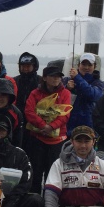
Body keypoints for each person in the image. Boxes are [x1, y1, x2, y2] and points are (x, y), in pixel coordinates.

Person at [25, 63, 72, 194]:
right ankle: (34, 201)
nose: (56, 79)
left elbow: (66, 114)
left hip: (57, 141)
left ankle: (50, 204)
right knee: (36, 172)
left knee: (53, 175)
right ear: (44, 78)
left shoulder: (66, 93)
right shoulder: (35, 93)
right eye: (53, 76)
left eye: (58, 76)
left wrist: (51, 126)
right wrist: (42, 125)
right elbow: (29, 111)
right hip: (37, 139)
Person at [65, 52, 104, 135]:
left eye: (90, 65)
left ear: (95, 66)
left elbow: (93, 95)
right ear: (79, 65)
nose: (86, 67)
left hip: (88, 126)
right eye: (83, 64)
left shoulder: (98, 83)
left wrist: (77, 78)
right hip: (68, 126)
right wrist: (67, 88)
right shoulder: (67, 80)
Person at [13, 52, 41, 131]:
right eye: (23, 66)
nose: (25, 69)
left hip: (35, 118)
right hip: (17, 116)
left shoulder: (41, 81)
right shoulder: (14, 81)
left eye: (28, 66)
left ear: (34, 67)